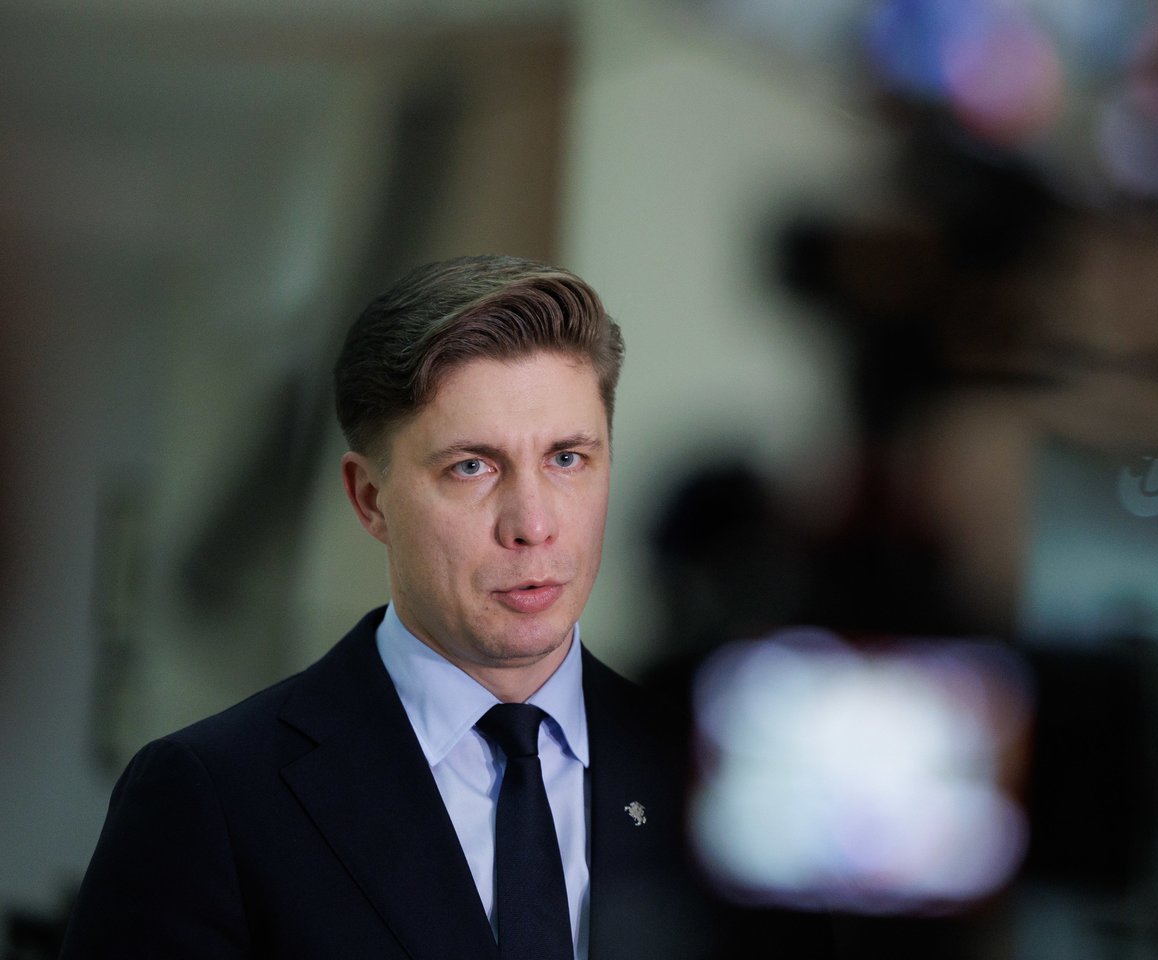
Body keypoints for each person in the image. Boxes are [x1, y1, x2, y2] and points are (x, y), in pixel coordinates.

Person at [60, 255, 727, 960]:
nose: (532, 524)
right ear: (370, 499)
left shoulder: (710, 770)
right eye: (472, 466)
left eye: (567, 459)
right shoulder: (211, 797)